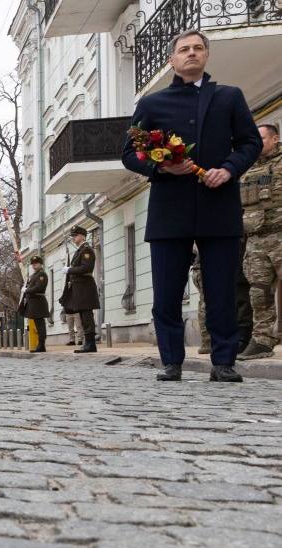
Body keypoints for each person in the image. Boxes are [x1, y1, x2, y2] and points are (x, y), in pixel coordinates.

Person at [122, 30, 262, 382]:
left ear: (207, 56)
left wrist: (228, 169)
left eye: (198, 48)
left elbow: (248, 143)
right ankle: (171, 361)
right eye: (184, 49)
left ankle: (224, 362)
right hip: (170, 209)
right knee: (167, 292)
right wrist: (161, 166)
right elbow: (129, 154)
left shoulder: (230, 97)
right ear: (172, 59)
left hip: (219, 206)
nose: (191, 53)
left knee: (222, 290)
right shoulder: (152, 104)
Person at [237, 123, 282, 361]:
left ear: (275, 139)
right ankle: (263, 340)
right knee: (258, 292)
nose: (257, 143)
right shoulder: (246, 168)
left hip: (281, 233)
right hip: (256, 239)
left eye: (262, 138)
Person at [59, 226, 99, 354]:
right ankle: (88, 343)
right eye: (73, 235)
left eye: (75, 235)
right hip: (80, 287)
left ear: (82, 235)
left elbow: (86, 268)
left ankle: (91, 343)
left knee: (87, 316)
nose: (73, 238)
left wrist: (69, 270)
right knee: (83, 316)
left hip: (85, 287)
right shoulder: (79, 251)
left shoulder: (86, 250)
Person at [21, 256, 50, 352]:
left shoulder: (42, 274)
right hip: (33, 302)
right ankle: (40, 344)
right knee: (37, 324)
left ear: (40, 264)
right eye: (33, 264)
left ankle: (42, 344)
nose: (34, 265)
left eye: (36, 263)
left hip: (38, 301)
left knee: (40, 324)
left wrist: (27, 290)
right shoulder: (34, 275)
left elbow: (38, 288)